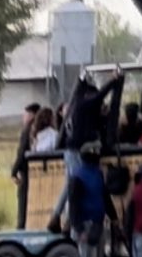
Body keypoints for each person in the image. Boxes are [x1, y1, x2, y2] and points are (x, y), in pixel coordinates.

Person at [49, 70, 125, 233]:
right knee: (77, 184)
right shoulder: (86, 104)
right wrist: (113, 80)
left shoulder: (75, 107)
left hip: (70, 149)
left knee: (69, 183)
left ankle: (56, 216)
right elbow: (101, 95)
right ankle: (68, 221)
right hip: (77, 150)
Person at [67, 142, 118, 257]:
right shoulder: (77, 176)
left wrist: (114, 217)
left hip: (97, 223)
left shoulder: (96, 174)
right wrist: (79, 229)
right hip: (86, 225)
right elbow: (73, 205)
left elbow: (105, 196)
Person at [11, 102, 41, 230]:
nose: (24, 117)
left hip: (26, 171)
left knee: (23, 202)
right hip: (38, 171)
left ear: (32, 115)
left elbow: (22, 152)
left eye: (26, 114)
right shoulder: (42, 127)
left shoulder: (28, 129)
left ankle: (21, 228)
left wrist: (13, 171)